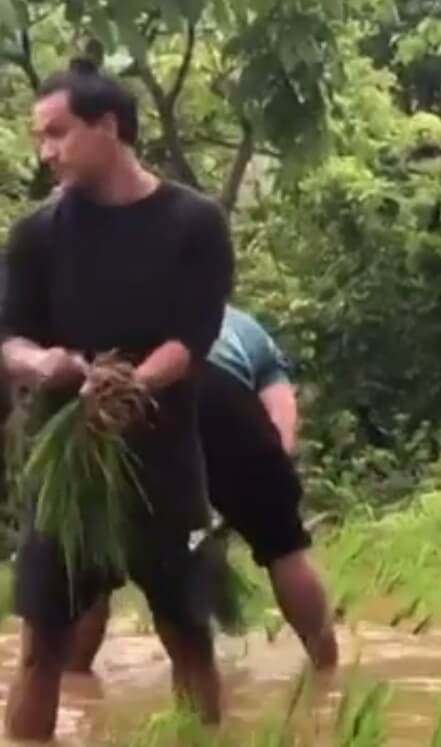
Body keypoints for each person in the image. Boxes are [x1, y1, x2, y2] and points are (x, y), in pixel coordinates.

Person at [1, 58, 234, 738]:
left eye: (58, 132)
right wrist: (43, 363)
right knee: (42, 645)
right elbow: (9, 336)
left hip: (163, 462)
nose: (45, 151)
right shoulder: (36, 235)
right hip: (64, 464)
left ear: (109, 127)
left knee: (188, 633)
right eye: (39, 137)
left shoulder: (194, 223)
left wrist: (131, 382)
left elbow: (191, 339)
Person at [64, 305, 340, 675]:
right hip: (221, 395)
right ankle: (330, 675)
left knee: (95, 563)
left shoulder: (120, 310)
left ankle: (73, 687)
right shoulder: (245, 328)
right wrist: (265, 497)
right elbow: (281, 421)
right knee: (285, 550)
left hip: (129, 396)